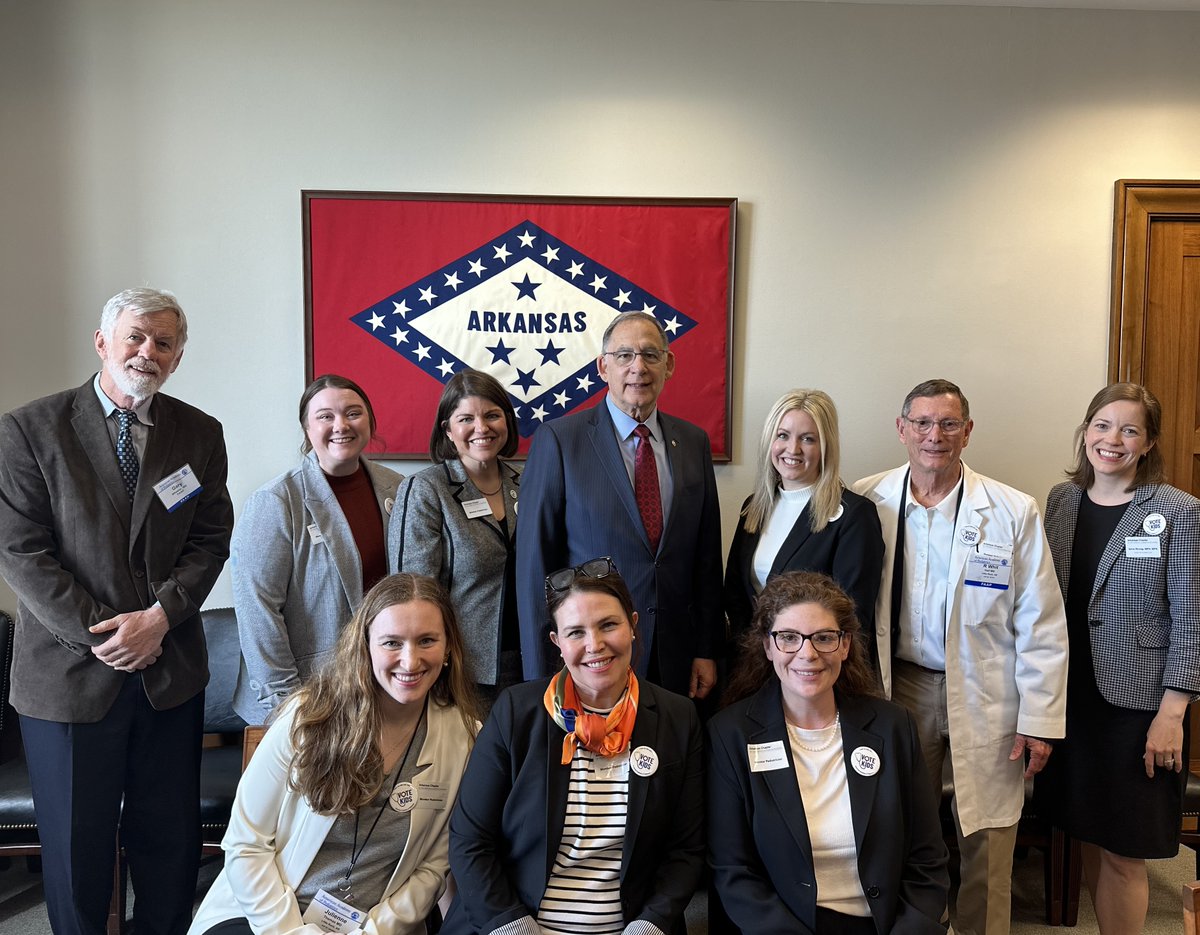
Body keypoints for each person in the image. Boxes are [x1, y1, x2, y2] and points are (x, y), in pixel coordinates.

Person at [0, 288, 233, 935]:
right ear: (103, 342)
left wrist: (158, 618)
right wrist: (107, 634)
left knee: (169, 845)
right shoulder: (28, 429)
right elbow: (22, 552)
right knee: (79, 852)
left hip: (169, 674)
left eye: (163, 342)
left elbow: (211, 539)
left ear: (178, 356)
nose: (147, 351)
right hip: (68, 681)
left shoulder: (199, 433)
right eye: (135, 337)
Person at [851, 378, 1067, 935]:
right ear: (901, 429)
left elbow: (1040, 620)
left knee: (990, 832)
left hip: (987, 686)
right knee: (898, 822)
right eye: (921, 422)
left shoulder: (1012, 510)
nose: (934, 435)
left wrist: (1039, 720)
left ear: (968, 432)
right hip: (899, 686)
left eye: (948, 424)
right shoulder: (865, 500)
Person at [189, 573, 480, 935]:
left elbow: (434, 868)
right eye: (392, 642)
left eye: (426, 641)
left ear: (449, 647)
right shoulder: (307, 717)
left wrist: (375, 932)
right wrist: (290, 931)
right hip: (266, 915)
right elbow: (247, 843)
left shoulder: (465, 739)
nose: (410, 660)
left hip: (375, 927)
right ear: (365, 645)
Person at [444, 558, 705, 935]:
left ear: (633, 625)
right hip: (512, 924)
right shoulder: (516, 712)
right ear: (558, 644)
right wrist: (513, 928)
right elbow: (470, 840)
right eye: (576, 632)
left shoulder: (678, 718)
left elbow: (686, 850)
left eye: (608, 625)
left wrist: (647, 927)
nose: (594, 645)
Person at [1035, 383, 1199, 934]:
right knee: (1084, 830)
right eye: (1102, 425)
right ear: (1086, 432)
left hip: (1138, 711)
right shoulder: (1061, 501)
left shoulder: (1179, 512)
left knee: (1124, 851)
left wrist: (1172, 714)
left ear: (1148, 443)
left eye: (1130, 430)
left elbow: (1192, 618)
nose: (1113, 440)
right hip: (1068, 703)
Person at [708, 571, 949, 934]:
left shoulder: (892, 725)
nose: (808, 653)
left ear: (845, 645)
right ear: (768, 646)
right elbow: (734, 872)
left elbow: (927, 859)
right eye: (789, 638)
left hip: (884, 924)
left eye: (824, 638)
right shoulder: (731, 735)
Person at [517, 311, 723, 699]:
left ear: (669, 365)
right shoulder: (560, 441)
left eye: (650, 354)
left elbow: (707, 559)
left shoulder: (694, 443)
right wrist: (542, 672)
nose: (638, 367)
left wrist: (707, 648)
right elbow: (535, 567)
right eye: (624, 355)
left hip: (675, 654)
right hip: (590, 654)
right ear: (603, 366)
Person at [232, 374, 402, 724]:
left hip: (385, 688)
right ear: (307, 429)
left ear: (369, 421)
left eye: (353, 413)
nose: (341, 425)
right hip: (310, 696)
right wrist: (288, 705)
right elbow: (258, 612)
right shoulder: (276, 501)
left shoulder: (398, 489)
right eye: (325, 416)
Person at [389, 369, 522, 705]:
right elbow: (412, 591)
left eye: (492, 415)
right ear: (448, 429)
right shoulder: (426, 489)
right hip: (462, 666)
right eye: (466, 419)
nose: (482, 428)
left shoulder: (529, 481)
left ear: (507, 422)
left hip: (530, 661)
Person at [724, 389, 884, 663]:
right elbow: (736, 593)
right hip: (752, 667)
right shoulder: (754, 507)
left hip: (812, 669)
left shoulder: (854, 515)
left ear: (825, 446)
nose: (792, 449)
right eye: (783, 435)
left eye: (807, 439)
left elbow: (854, 618)